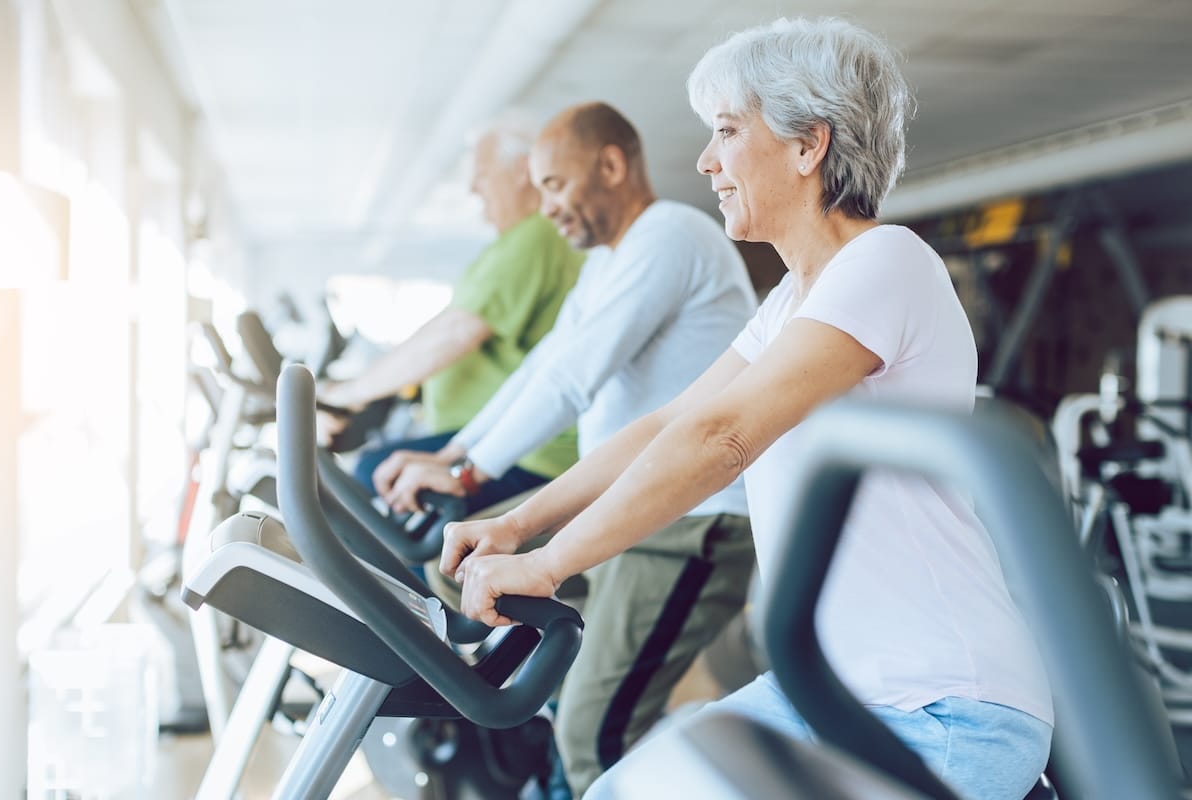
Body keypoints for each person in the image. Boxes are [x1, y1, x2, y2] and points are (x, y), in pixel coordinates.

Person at [442, 18, 1054, 800]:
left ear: (809, 145)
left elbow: (724, 437)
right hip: (833, 695)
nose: (706, 162)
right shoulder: (791, 302)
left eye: (727, 131)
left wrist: (550, 565)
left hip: (942, 706)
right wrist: (520, 524)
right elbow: (665, 424)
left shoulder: (886, 262)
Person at [377, 102, 758, 798]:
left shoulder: (670, 235)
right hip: (628, 506)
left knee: (592, 735)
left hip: (694, 523)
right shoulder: (607, 262)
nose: (546, 206)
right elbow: (542, 365)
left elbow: (572, 379)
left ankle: (581, 758)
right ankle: (552, 746)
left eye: (555, 184)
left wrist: (467, 471)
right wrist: (455, 454)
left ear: (611, 166)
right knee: (462, 568)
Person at [317, 114, 583, 513]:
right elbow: (447, 326)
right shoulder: (518, 241)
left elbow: (456, 333)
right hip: (490, 433)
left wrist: (350, 396)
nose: (473, 189)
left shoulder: (537, 236)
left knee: (375, 472)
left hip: (533, 452)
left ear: (523, 171)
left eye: (483, 174)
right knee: (381, 473)